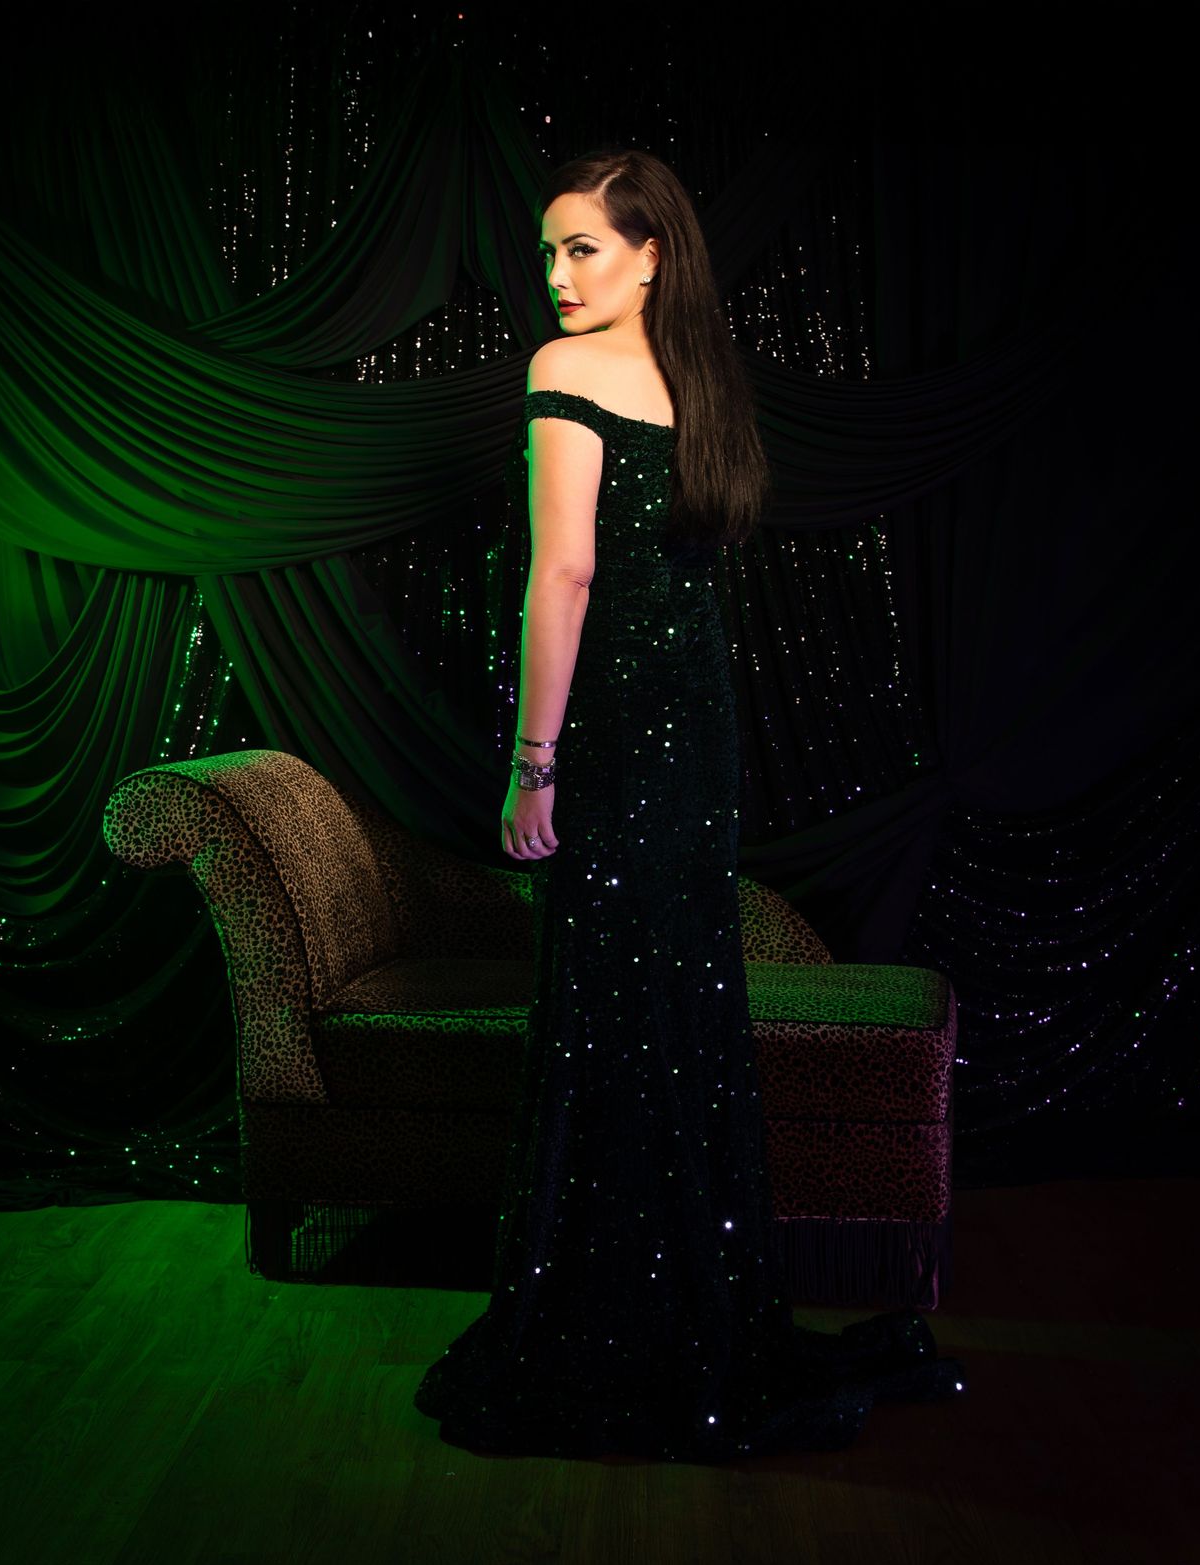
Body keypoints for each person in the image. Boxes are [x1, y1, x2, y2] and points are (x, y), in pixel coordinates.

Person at [412, 148, 967, 1461]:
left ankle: (608, 1322)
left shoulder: (565, 372)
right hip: (700, 738)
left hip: (612, 738)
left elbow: (564, 576)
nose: (558, 276)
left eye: (584, 248)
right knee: (678, 1014)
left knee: (611, 1016)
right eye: (549, 253)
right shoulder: (704, 379)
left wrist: (533, 760)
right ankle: (691, 1309)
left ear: (652, 253)